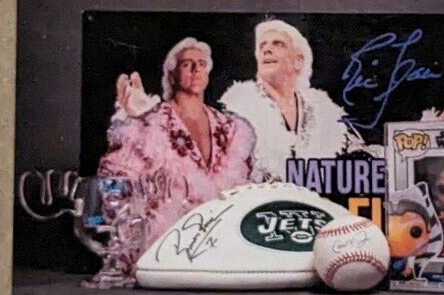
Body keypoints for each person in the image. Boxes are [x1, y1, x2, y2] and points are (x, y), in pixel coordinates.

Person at [101, 38, 255, 237]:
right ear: (172, 76)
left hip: (220, 239)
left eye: (202, 64)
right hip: (164, 241)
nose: (196, 69)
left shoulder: (230, 128)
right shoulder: (149, 120)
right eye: (187, 64)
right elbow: (114, 181)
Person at [218, 19, 364, 181]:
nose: (267, 50)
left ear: (298, 61)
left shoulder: (325, 113)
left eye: (278, 44)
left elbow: (362, 155)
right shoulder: (237, 111)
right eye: (262, 46)